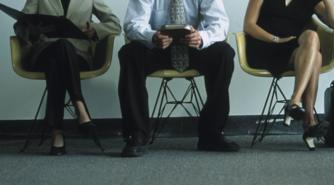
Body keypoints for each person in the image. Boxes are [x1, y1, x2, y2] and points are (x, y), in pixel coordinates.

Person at [119, 0, 239, 157]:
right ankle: (137, 134)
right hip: (158, 48)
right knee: (129, 53)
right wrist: (152, 36)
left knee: (224, 54)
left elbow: (220, 23)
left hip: (194, 47)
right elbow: (132, 24)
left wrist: (201, 37)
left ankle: (212, 134)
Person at [15, 0, 121, 155]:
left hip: (78, 56)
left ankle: (56, 132)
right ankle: (79, 105)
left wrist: (95, 29)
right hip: (45, 52)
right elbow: (22, 24)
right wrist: (33, 30)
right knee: (58, 50)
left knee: (61, 52)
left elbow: (115, 25)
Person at [243, 0, 334, 150]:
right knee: (316, 57)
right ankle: (310, 122)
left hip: (292, 48)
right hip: (265, 46)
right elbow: (249, 25)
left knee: (312, 39)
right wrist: (275, 39)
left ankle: (296, 103)